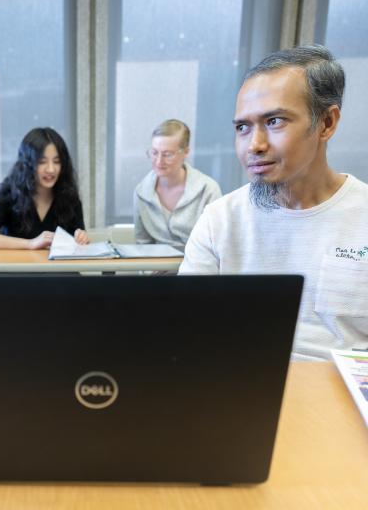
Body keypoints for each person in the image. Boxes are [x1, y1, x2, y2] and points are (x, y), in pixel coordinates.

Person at [180, 44, 368, 361]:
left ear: (326, 123)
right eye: (242, 127)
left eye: (275, 121)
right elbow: (182, 328)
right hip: (241, 386)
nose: (254, 145)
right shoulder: (219, 220)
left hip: (343, 394)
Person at [0, 127, 89, 249]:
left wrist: (81, 238)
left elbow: (78, 242)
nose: (51, 169)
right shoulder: (10, 192)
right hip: (16, 267)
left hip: (55, 268)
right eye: (42, 162)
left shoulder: (69, 196)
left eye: (57, 162)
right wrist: (31, 244)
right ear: (28, 163)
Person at [133, 119, 222, 251]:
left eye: (167, 154)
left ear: (186, 152)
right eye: (154, 152)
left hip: (198, 268)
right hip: (156, 269)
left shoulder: (208, 190)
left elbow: (216, 245)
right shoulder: (141, 192)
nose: (158, 161)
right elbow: (142, 245)